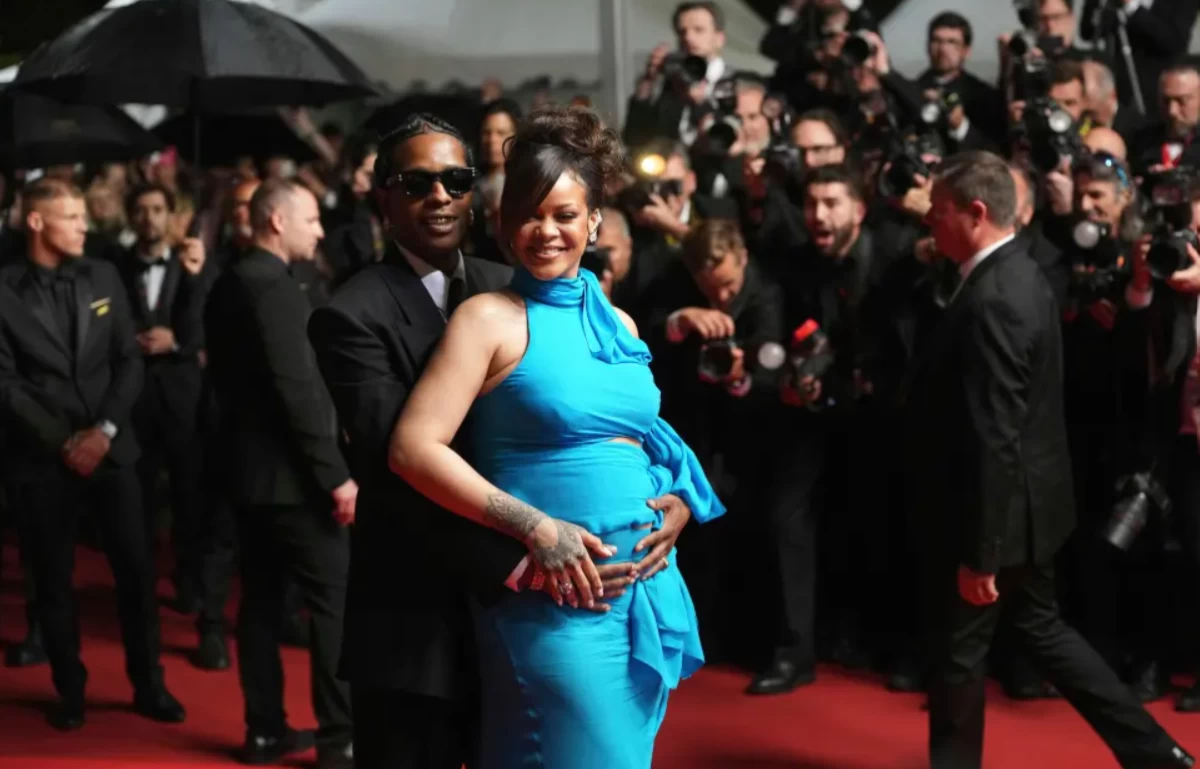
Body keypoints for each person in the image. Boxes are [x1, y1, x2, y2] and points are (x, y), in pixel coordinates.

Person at [308, 112, 682, 769]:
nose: (440, 196)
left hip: (586, 590)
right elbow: (399, 467)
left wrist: (670, 495)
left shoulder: (515, 285)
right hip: (425, 613)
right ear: (382, 196)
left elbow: (619, 422)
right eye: (417, 182)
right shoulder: (355, 313)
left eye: (456, 180)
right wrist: (529, 545)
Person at [390, 106, 725, 769]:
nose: (546, 231)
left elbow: (645, 438)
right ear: (504, 224)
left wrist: (678, 499)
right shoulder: (487, 319)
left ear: (594, 221)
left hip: (641, 593)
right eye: (529, 215)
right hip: (553, 602)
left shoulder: (620, 324)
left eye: (565, 215)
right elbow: (413, 448)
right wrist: (535, 527)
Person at [909, 150, 1194, 769]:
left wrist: (982, 552)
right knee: (1044, 633)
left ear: (976, 213)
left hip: (1000, 519)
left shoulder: (995, 297)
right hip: (1028, 510)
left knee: (960, 657)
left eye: (939, 209)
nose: (928, 219)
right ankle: (1157, 754)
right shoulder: (1018, 270)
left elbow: (996, 433)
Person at [0, 177, 185, 730]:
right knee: (52, 581)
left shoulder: (103, 274)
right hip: (41, 459)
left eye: (84, 215)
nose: (86, 226)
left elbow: (128, 361)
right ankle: (70, 691)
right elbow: (6, 385)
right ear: (37, 222)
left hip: (113, 450)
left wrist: (102, 432)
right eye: (73, 217)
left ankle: (149, 684)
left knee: (137, 574)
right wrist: (64, 441)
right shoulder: (3, 290)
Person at [204, 178, 357, 769]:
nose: (319, 230)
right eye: (311, 219)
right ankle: (341, 739)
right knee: (335, 601)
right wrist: (335, 476)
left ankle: (265, 731)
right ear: (276, 221)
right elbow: (297, 391)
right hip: (293, 480)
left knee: (262, 603)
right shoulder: (274, 288)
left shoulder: (229, 281)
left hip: (245, 476)